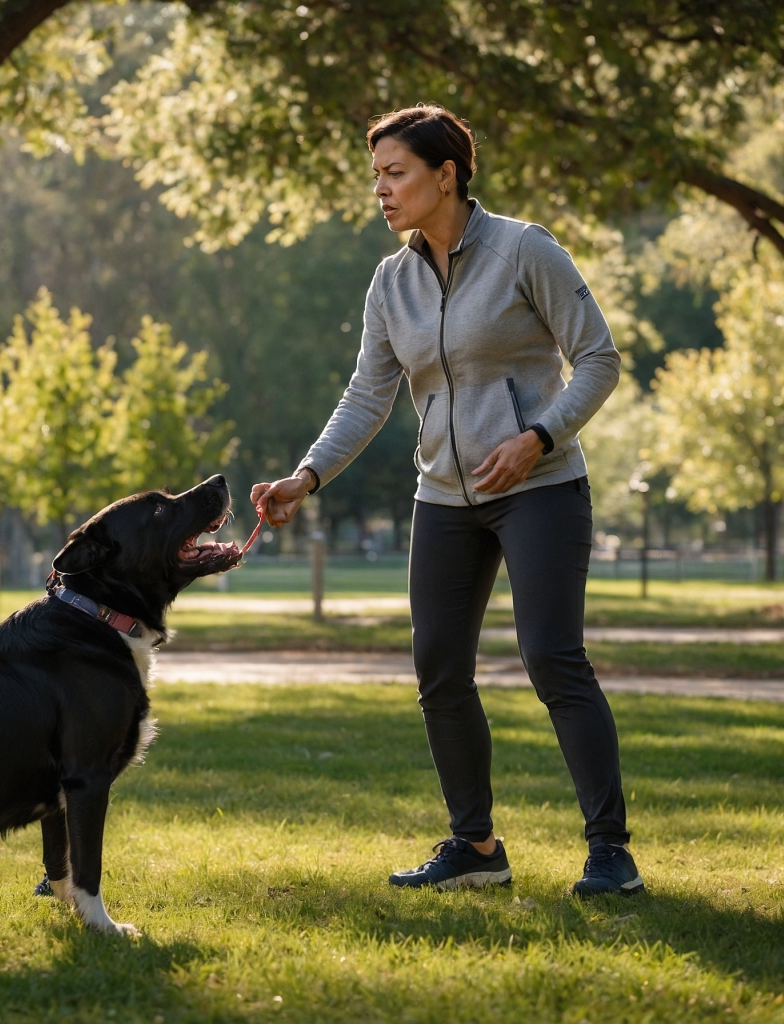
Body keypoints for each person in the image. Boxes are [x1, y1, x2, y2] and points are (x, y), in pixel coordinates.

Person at [251, 104, 643, 897]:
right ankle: (476, 847)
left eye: (396, 173)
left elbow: (598, 359)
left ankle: (610, 853)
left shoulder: (524, 250)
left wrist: (538, 435)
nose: (382, 191)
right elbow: (368, 395)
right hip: (445, 497)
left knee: (552, 658)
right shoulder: (391, 281)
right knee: (438, 671)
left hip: (539, 485)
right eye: (377, 177)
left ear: (447, 174)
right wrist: (306, 476)